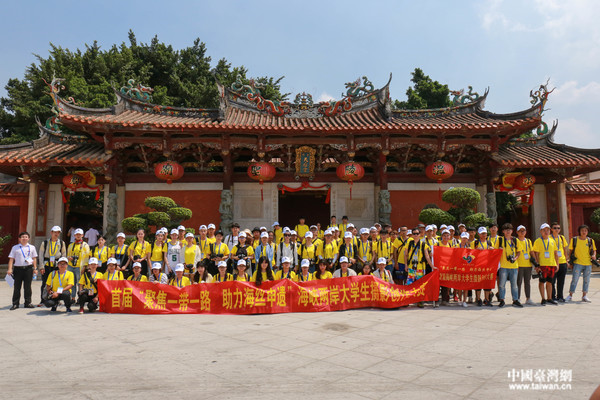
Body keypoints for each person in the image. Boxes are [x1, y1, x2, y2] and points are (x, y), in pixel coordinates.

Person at [566, 224, 597, 303]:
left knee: (587, 280)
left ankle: (584, 295)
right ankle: (570, 295)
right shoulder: (574, 239)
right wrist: (569, 262)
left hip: (588, 263)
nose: (584, 232)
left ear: (587, 232)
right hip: (577, 263)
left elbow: (594, 250)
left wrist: (593, 255)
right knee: (574, 279)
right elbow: (571, 251)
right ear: (579, 231)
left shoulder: (590, 240)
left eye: (585, 231)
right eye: (582, 230)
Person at [7, 231, 38, 310]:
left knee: (27, 287)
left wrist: (35, 268)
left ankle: (28, 303)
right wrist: (10, 269)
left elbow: (34, 258)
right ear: (19, 239)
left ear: (28, 238)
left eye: (26, 237)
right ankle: (15, 303)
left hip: (28, 269)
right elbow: (11, 259)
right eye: (23, 237)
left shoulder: (32, 247)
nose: (24, 238)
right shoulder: (15, 247)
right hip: (18, 269)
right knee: (17, 287)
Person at [37, 225, 67, 307]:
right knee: (45, 283)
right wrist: (41, 266)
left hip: (57, 265)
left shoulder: (61, 243)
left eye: (58, 232)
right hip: (47, 265)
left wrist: (63, 266)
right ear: (51, 233)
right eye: (55, 232)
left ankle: (57, 300)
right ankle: (43, 299)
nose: (56, 234)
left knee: (57, 282)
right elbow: (41, 254)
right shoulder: (45, 243)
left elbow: (64, 255)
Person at [532, 223, 559, 305]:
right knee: (542, 282)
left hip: (551, 264)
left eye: (547, 230)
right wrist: (537, 265)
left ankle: (549, 298)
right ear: (541, 231)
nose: (546, 232)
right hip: (542, 265)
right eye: (544, 230)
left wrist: (557, 264)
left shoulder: (552, 241)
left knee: (550, 282)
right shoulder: (538, 241)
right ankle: (543, 298)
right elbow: (536, 254)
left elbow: (555, 253)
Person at [497, 223, 522, 308]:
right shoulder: (500, 240)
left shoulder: (515, 240)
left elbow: (519, 251)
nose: (508, 231)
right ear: (503, 231)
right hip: (503, 266)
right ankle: (502, 300)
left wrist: (515, 258)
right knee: (501, 284)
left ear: (512, 231)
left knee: (514, 284)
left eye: (509, 230)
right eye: (506, 230)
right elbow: (495, 251)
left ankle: (515, 300)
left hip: (514, 266)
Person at [67, 228, 90, 304]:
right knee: (71, 283)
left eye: (79, 234)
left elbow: (87, 257)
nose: (78, 236)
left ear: (82, 235)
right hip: (71, 266)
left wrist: (84, 267)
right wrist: (69, 258)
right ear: (74, 235)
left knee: (80, 283)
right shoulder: (71, 245)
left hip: (79, 267)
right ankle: (73, 298)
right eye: (77, 234)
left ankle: (80, 298)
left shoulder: (85, 245)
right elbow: (68, 255)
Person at [471, 227, 493, 307]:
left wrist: (492, 250)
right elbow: (470, 253)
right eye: (482, 233)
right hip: (478, 266)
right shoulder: (475, 243)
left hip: (487, 266)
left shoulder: (489, 243)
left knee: (487, 283)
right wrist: (476, 250)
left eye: (485, 233)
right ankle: (478, 299)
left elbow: (493, 254)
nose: (484, 235)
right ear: (479, 234)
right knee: (478, 283)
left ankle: (487, 299)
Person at [515, 225, 535, 305]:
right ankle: (518, 298)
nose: (522, 232)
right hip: (519, 265)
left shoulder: (528, 241)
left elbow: (531, 252)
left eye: (523, 230)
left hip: (528, 265)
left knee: (527, 282)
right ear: (517, 232)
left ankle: (528, 298)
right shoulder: (515, 240)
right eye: (520, 231)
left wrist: (535, 262)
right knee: (518, 282)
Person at [550, 222, 568, 302]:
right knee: (552, 281)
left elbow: (564, 249)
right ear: (551, 229)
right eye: (555, 228)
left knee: (561, 281)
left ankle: (560, 296)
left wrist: (566, 260)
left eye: (558, 228)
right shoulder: (549, 238)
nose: (557, 229)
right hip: (553, 262)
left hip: (562, 261)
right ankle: (552, 296)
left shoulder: (562, 238)